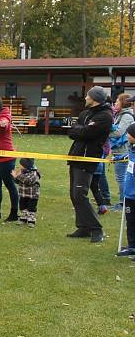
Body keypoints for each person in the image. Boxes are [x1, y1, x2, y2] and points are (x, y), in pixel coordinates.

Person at [66, 86, 114, 243]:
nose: (85, 98)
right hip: (76, 156)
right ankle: (83, 227)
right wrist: (80, 130)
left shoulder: (105, 116)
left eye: (88, 95)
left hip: (88, 159)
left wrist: (80, 130)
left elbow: (87, 133)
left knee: (80, 194)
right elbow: (72, 131)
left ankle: (96, 228)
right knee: (74, 194)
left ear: (95, 98)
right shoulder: (85, 113)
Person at [110, 93, 134, 211]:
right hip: (118, 150)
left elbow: (119, 132)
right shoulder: (119, 115)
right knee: (121, 177)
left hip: (123, 151)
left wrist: (104, 131)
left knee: (122, 177)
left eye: (117, 101)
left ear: (123, 103)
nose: (115, 103)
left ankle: (123, 202)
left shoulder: (126, 116)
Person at [116, 123, 135, 256]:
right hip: (129, 193)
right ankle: (132, 246)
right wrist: (119, 158)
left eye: (129, 133)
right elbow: (128, 157)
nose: (127, 135)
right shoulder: (132, 149)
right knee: (130, 220)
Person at [13, 158, 40, 228]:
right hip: (23, 194)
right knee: (22, 207)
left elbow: (28, 181)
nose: (20, 166)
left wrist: (18, 176)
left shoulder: (34, 172)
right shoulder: (22, 171)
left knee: (31, 208)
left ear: (26, 165)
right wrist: (14, 177)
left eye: (21, 165)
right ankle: (23, 219)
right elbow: (18, 181)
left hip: (32, 195)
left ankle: (31, 221)